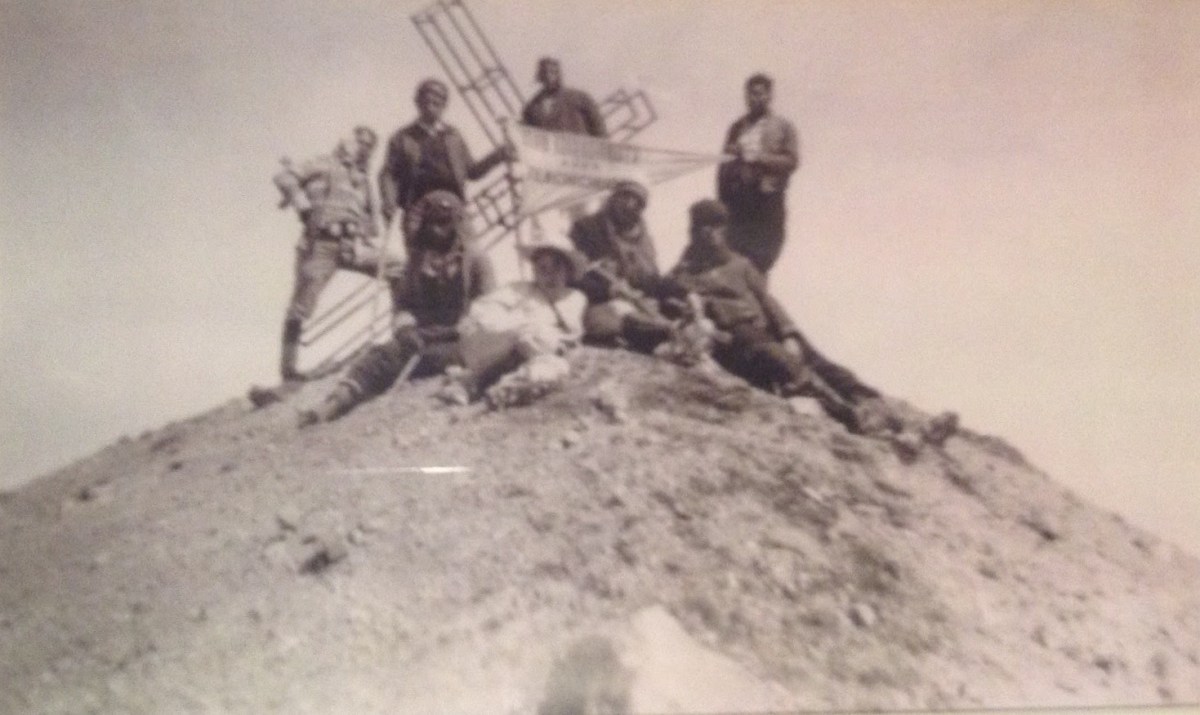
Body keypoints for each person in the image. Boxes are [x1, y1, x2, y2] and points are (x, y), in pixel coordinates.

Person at [662, 200, 875, 432]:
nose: (713, 233)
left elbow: (768, 301)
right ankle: (844, 413)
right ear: (695, 231)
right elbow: (667, 296)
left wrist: (789, 332)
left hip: (768, 326)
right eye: (705, 227)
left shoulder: (740, 265)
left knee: (813, 357)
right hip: (738, 334)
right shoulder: (684, 274)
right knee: (782, 361)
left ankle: (867, 400)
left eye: (718, 227)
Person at [299, 190, 495, 426]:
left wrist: (469, 326)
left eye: (444, 223)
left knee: (454, 359)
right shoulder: (417, 260)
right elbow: (403, 303)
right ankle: (334, 403)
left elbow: (489, 305)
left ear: (455, 223)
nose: (437, 230)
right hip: (421, 338)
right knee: (381, 356)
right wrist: (406, 329)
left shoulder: (476, 259)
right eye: (432, 223)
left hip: (460, 340)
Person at [271, 125, 380, 382]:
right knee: (301, 306)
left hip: (351, 245)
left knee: (397, 266)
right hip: (321, 244)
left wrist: (365, 230)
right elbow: (284, 178)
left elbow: (372, 222)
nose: (364, 148)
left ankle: (404, 333)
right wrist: (304, 207)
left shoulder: (364, 181)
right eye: (360, 142)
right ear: (348, 141)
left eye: (369, 146)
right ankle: (289, 371)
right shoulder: (323, 163)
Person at [438, 232, 587, 408]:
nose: (550, 275)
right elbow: (481, 312)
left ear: (568, 271)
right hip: (500, 347)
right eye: (543, 268)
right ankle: (470, 382)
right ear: (534, 271)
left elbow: (572, 336)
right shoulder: (519, 290)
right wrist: (519, 325)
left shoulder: (575, 298)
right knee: (533, 333)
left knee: (554, 369)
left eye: (556, 268)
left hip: (537, 355)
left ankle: (503, 390)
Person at [378, 78, 513, 254]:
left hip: (452, 203)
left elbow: (472, 172)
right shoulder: (403, 137)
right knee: (418, 258)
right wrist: (389, 201)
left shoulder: (453, 137)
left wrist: (499, 155)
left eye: (437, 102)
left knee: (467, 254)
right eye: (426, 101)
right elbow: (388, 173)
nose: (431, 105)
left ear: (444, 105)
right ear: (418, 102)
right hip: (419, 205)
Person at [568, 181, 674, 352]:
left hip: (641, 306)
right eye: (625, 196)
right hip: (598, 307)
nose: (630, 204)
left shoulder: (644, 240)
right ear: (613, 197)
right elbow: (572, 278)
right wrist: (609, 290)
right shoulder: (586, 229)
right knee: (621, 312)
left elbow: (653, 280)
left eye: (637, 201)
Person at [716, 73, 799, 275]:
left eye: (760, 94)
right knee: (733, 255)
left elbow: (791, 161)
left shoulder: (783, 127)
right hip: (737, 202)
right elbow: (723, 166)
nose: (754, 98)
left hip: (766, 201)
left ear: (769, 96)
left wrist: (760, 158)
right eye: (750, 94)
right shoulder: (736, 128)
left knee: (760, 259)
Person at [520, 57, 607, 138]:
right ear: (540, 76)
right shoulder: (532, 107)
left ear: (559, 74)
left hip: (577, 151)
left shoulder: (580, 98)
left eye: (552, 72)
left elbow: (599, 127)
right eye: (544, 73)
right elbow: (526, 133)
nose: (548, 76)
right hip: (547, 153)